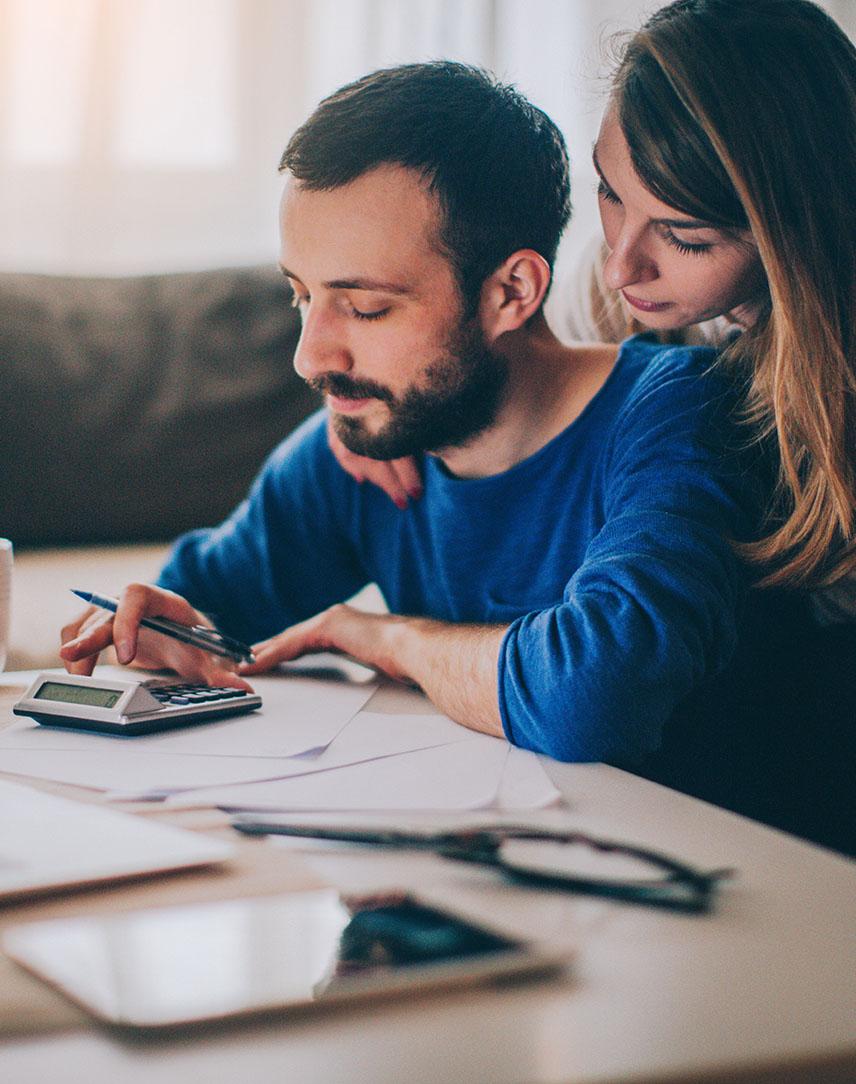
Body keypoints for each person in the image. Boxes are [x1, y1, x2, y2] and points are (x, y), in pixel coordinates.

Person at [60, 62, 817, 842]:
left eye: (366, 307)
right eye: (301, 295)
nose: (310, 356)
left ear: (512, 294)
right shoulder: (371, 439)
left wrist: (387, 637)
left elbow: (594, 696)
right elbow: (207, 601)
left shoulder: (686, 410)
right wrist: (161, 628)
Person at [334, 0, 856, 610]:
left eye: (685, 237)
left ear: (797, 230)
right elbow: (506, 387)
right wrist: (377, 401)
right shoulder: (602, 289)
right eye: (610, 192)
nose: (620, 267)